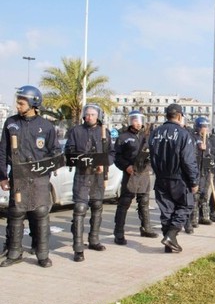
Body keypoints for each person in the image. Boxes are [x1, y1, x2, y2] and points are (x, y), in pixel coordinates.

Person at [0, 86, 62, 268]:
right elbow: (2, 151)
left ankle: (42, 254)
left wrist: (50, 168)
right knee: (16, 213)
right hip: (18, 178)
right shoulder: (11, 123)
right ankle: (14, 252)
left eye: (21, 103)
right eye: (17, 102)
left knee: (40, 212)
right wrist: (2, 176)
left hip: (39, 179)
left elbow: (56, 151)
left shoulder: (46, 126)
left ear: (34, 103)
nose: (18, 106)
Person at [65, 104, 115, 262]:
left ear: (98, 116)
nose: (89, 117)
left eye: (93, 114)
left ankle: (94, 240)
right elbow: (69, 151)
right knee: (80, 208)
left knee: (97, 206)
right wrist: (82, 158)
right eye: (87, 114)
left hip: (98, 176)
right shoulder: (76, 131)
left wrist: (104, 163)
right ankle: (78, 248)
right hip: (82, 174)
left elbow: (111, 152)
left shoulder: (104, 131)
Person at [148, 104, 199, 253]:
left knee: (167, 211)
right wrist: (194, 181)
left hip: (160, 178)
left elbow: (151, 155)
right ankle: (171, 235)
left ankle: (169, 244)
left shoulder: (155, 133)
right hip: (178, 178)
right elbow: (188, 160)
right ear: (179, 116)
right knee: (185, 206)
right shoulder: (183, 134)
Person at [113, 111, 158, 245]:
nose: (138, 123)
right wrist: (126, 166)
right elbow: (117, 156)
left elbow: (153, 153)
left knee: (144, 202)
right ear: (130, 121)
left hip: (143, 173)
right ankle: (119, 232)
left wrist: (150, 166)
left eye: (140, 120)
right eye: (135, 120)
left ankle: (146, 228)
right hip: (130, 174)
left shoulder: (147, 136)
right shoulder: (123, 137)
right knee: (125, 202)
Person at [184, 116, 215, 234]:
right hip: (197, 170)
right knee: (196, 195)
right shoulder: (193, 138)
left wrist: (211, 161)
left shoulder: (208, 140)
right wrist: (199, 149)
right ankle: (194, 218)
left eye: (206, 127)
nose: (205, 129)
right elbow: (191, 153)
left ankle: (204, 216)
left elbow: (212, 154)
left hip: (206, 170)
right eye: (203, 127)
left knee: (204, 194)